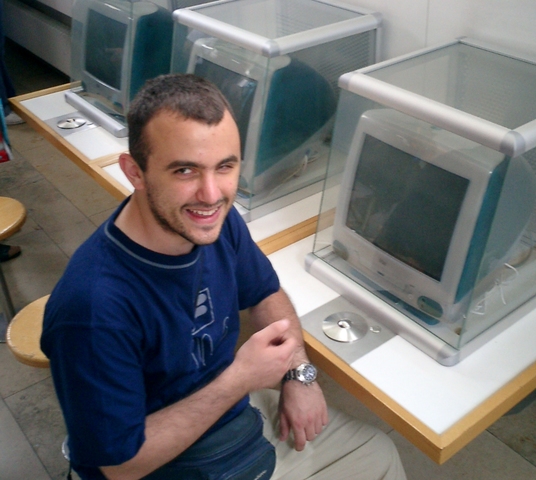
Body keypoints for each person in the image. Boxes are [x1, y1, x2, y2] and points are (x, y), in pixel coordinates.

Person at [41, 73, 407, 480]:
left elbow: (265, 294)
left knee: (378, 450)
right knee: (378, 462)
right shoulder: (92, 308)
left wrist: (298, 375)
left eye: (225, 166)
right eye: (185, 170)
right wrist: (239, 379)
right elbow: (120, 465)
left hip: (229, 419)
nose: (212, 194)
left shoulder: (214, 223)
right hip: (167, 463)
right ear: (135, 172)